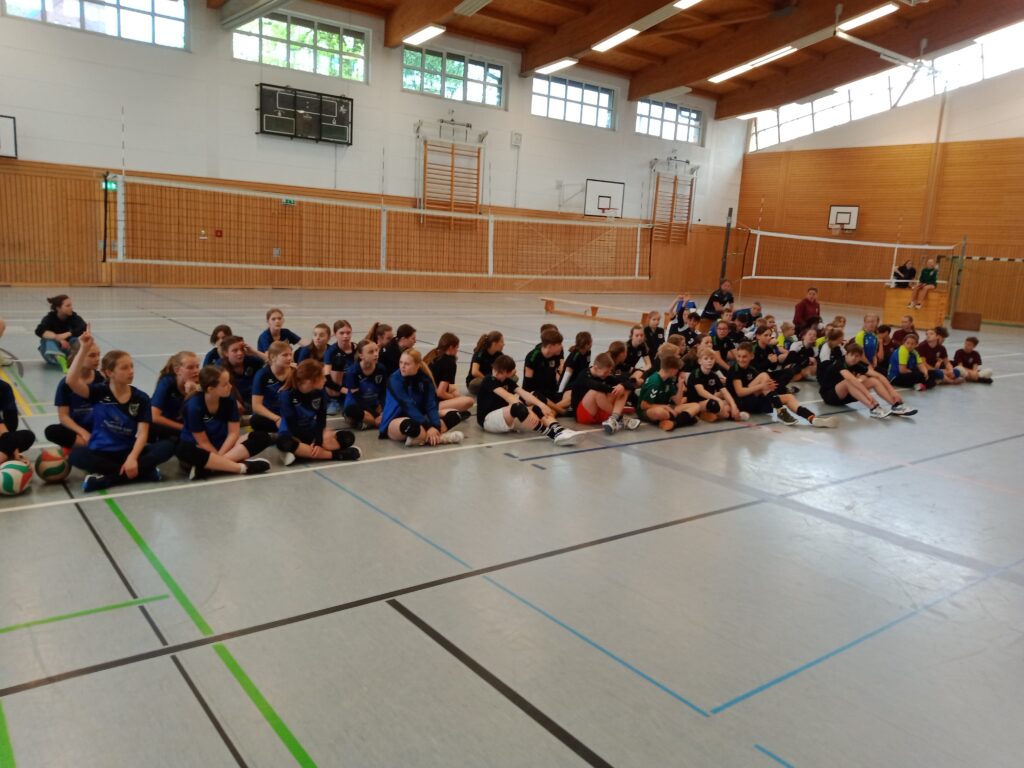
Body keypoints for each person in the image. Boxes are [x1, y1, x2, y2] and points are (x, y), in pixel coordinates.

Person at [64, 328, 174, 492]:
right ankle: (142, 473)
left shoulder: (140, 398)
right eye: (124, 368)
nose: (131, 371)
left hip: (128, 451)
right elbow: (71, 381)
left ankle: (107, 479)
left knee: (167, 446)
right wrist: (84, 348)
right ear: (109, 372)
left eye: (131, 366)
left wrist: (132, 458)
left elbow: (142, 434)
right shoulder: (98, 392)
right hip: (101, 452)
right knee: (76, 455)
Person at [175, 366, 274, 479]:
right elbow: (203, 442)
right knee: (183, 449)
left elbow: (233, 433)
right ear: (211, 389)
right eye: (225, 384)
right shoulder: (194, 406)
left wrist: (219, 459)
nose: (230, 386)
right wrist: (218, 458)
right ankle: (242, 467)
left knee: (262, 437)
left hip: (225, 446)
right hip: (201, 449)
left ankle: (210, 468)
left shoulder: (229, 399)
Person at [477, 354, 579, 446]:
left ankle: (558, 429)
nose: (514, 373)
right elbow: (509, 397)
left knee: (535, 397)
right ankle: (553, 435)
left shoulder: (506, 380)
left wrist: (541, 405)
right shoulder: (489, 380)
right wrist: (528, 411)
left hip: (503, 415)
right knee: (518, 407)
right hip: (488, 420)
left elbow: (524, 393)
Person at [728, 342, 837, 427]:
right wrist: (762, 386)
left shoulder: (752, 369)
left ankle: (812, 418)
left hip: (754, 401)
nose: (741, 359)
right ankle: (780, 411)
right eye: (739, 356)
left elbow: (764, 388)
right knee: (764, 376)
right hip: (741, 402)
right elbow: (740, 392)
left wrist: (770, 387)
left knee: (789, 397)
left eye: (744, 356)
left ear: (751, 356)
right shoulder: (735, 369)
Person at [277, 360, 361, 464]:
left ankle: (301, 453)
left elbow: (321, 419)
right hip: (292, 433)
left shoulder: (320, 392)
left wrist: (318, 441)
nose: (325, 379)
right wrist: (312, 442)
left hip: (310, 428)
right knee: (284, 443)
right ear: (311, 380)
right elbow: (292, 425)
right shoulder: (287, 394)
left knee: (348, 437)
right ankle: (336, 455)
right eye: (322, 376)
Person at [381, 349, 464, 447]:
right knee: (411, 427)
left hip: (420, 418)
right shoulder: (394, 379)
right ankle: (442, 438)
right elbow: (408, 406)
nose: (402, 366)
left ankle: (424, 438)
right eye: (401, 362)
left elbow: (431, 405)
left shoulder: (425, 379)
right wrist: (428, 427)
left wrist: (435, 426)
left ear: (417, 365)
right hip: (396, 421)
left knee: (455, 414)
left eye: (407, 364)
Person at [818, 341, 917, 419]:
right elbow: (851, 380)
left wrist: (892, 391)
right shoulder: (839, 363)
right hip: (830, 396)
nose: (854, 358)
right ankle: (874, 408)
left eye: (857, 356)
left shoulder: (857, 364)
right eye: (852, 355)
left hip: (847, 395)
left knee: (874, 380)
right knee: (849, 382)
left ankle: (895, 405)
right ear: (846, 354)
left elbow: (878, 375)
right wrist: (868, 395)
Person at [45, 341, 104, 451]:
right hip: (77, 430)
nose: (97, 359)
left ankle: (87, 447)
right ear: (78, 357)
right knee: (52, 431)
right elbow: (63, 416)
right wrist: (83, 433)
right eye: (92, 355)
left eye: (98, 355)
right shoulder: (65, 384)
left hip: (98, 428)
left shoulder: (102, 380)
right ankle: (90, 446)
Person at [570, 352, 640, 434]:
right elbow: (598, 386)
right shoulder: (584, 375)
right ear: (596, 368)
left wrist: (623, 385)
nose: (608, 374)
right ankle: (620, 418)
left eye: (609, 372)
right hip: (582, 414)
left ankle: (613, 418)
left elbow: (624, 382)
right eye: (606, 372)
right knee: (596, 392)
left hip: (599, 411)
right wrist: (616, 389)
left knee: (624, 389)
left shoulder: (603, 375)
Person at [637, 356, 701, 431]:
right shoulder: (655, 382)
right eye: (677, 369)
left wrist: (680, 385)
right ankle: (685, 419)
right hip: (648, 411)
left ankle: (674, 423)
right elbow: (644, 405)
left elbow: (677, 402)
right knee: (659, 412)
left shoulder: (669, 380)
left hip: (667, 408)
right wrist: (665, 407)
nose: (677, 372)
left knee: (696, 406)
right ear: (672, 370)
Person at [150, 351, 200, 443]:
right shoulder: (167, 382)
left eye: (197, 366)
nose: (196, 371)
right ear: (177, 370)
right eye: (190, 368)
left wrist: (194, 393)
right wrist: (184, 429)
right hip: (168, 425)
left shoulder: (201, 385)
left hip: (189, 426)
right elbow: (154, 416)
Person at [423, 333, 475, 414]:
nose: (457, 350)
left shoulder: (433, 354)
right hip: (430, 403)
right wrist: (454, 398)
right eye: (457, 347)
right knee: (469, 401)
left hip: (422, 397)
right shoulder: (449, 362)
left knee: (454, 389)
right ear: (451, 347)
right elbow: (440, 393)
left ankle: (452, 409)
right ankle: (440, 412)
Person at [342, 339, 388, 430]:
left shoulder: (381, 369)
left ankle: (369, 423)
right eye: (371, 352)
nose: (376, 354)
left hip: (374, 405)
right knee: (351, 411)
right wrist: (376, 415)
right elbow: (357, 398)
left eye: (376, 350)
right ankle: (377, 422)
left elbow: (383, 393)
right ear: (361, 355)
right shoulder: (352, 372)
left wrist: (384, 410)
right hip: (358, 405)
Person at [686, 349, 743, 422]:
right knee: (714, 404)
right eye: (706, 359)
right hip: (697, 403)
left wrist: (734, 406)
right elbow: (701, 392)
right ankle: (730, 416)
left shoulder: (714, 375)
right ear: (700, 361)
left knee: (734, 402)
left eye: (711, 358)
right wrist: (718, 400)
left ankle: (712, 414)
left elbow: (725, 392)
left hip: (710, 400)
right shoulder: (695, 373)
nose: (709, 361)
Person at [250, 342, 294, 433]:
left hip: (288, 414)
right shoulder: (262, 374)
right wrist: (277, 419)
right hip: (270, 415)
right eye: (285, 355)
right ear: (273, 357)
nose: (289, 358)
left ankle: (282, 432)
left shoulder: (295, 372)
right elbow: (256, 406)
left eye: (290, 354)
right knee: (255, 420)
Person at [524, 328, 571, 414]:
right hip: (537, 395)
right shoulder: (532, 357)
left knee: (573, 393)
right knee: (538, 398)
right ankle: (560, 410)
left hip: (551, 393)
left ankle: (553, 410)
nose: (561, 346)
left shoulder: (556, 355)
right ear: (550, 346)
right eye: (559, 344)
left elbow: (556, 373)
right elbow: (527, 385)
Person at [35, 294, 87, 370]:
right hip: (51, 353)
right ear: (58, 308)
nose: (71, 308)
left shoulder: (73, 317)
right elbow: (39, 331)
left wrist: (68, 334)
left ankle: (71, 360)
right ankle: (60, 358)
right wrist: (57, 338)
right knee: (47, 340)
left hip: (67, 349)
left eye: (71, 305)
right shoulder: (49, 318)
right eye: (68, 306)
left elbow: (83, 327)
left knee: (75, 340)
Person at [217, 336, 265, 413]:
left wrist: (254, 352)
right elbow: (217, 390)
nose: (240, 353)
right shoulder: (220, 366)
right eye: (235, 350)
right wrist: (233, 401)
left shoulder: (249, 360)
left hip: (257, 400)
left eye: (242, 349)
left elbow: (274, 362)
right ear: (226, 353)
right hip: (239, 405)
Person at [324, 320, 356, 415]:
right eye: (341, 333)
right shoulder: (331, 351)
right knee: (336, 369)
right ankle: (333, 400)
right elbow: (326, 378)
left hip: (352, 384)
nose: (345, 336)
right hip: (337, 386)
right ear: (335, 334)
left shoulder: (357, 348)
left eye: (348, 333)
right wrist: (345, 390)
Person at [0, 379, 35, 461]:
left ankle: (4, 456)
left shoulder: (4, 387)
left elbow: (10, 424)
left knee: (27, 436)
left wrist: (16, 455)